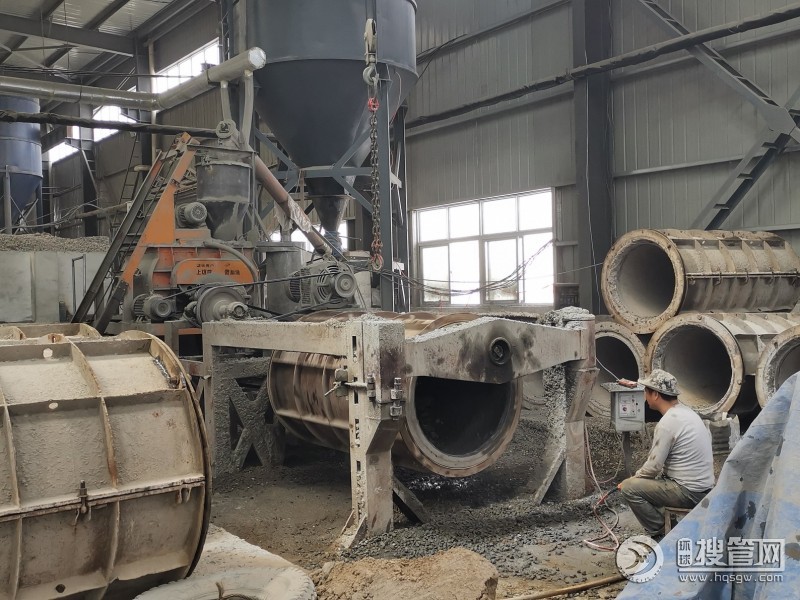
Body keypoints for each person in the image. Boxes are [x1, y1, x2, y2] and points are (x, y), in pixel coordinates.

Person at [616, 369, 714, 540]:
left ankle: (661, 531)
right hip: (704, 488)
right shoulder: (687, 413)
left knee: (629, 489)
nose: (645, 397)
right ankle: (669, 519)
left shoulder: (668, 422)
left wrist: (633, 479)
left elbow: (652, 468)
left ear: (655, 394)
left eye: (646, 392)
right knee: (650, 482)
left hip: (689, 492)